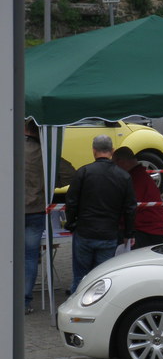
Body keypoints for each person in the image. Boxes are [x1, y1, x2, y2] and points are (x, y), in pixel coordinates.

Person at [65, 135, 136, 293]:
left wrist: (71, 224)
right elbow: (130, 207)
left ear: (93, 150)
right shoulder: (124, 176)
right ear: (112, 151)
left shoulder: (83, 172)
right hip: (109, 234)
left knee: (80, 277)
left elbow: (71, 201)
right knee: (103, 279)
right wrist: (128, 233)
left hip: (84, 231)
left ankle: (76, 306)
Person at [24, 119, 75, 314]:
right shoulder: (47, 154)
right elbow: (72, 174)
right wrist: (53, 180)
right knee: (30, 257)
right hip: (36, 211)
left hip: (11, 212)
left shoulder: (9, 147)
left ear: (26, 129)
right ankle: (24, 301)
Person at [112, 147, 163, 248]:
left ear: (121, 162)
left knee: (105, 238)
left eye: (114, 164)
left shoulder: (135, 179)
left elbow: (128, 209)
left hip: (147, 233)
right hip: (152, 230)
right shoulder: (139, 175)